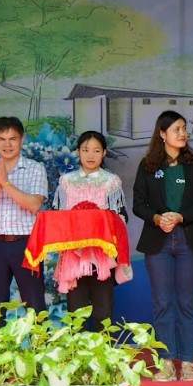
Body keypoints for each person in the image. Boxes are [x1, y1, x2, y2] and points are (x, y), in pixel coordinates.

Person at [133, 111, 193, 382]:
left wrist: (181, 216)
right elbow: (138, 204)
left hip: (188, 239)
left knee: (187, 303)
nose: (183, 133)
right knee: (163, 303)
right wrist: (157, 218)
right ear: (162, 134)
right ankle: (166, 363)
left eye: (184, 128)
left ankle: (188, 363)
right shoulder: (147, 165)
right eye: (177, 129)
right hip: (159, 242)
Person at [52, 130, 129, 332]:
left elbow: (121, 217)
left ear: (104, 153)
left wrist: (101, 226)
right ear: (78, 152)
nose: (90, 155)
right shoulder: (66, 181)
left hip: (101, 255)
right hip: (73, 256)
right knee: (76, 312)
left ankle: (104, 361)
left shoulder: (111, 181)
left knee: (103, 310)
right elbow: (57, 215)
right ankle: (78, 361)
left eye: (96, 150)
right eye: (85, 150)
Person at [0, 116, 48, 311]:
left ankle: (39, 342)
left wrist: (6, 183)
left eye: (12, 139)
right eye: (2, 139)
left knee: (35, 305)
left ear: (22, 140)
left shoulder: (35, 168)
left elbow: (34, 205)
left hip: (27, 244)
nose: (7, 144)